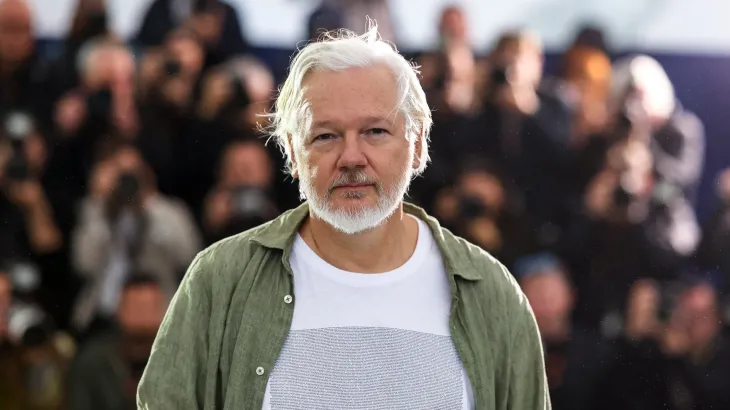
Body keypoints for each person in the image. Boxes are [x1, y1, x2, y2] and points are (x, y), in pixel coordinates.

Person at [137, 24, 550, 409]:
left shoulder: (491, 295)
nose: (351, 157)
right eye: (326, 135)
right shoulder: (221, 281)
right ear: (291, 152)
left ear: (418, 143)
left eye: (375, 131)